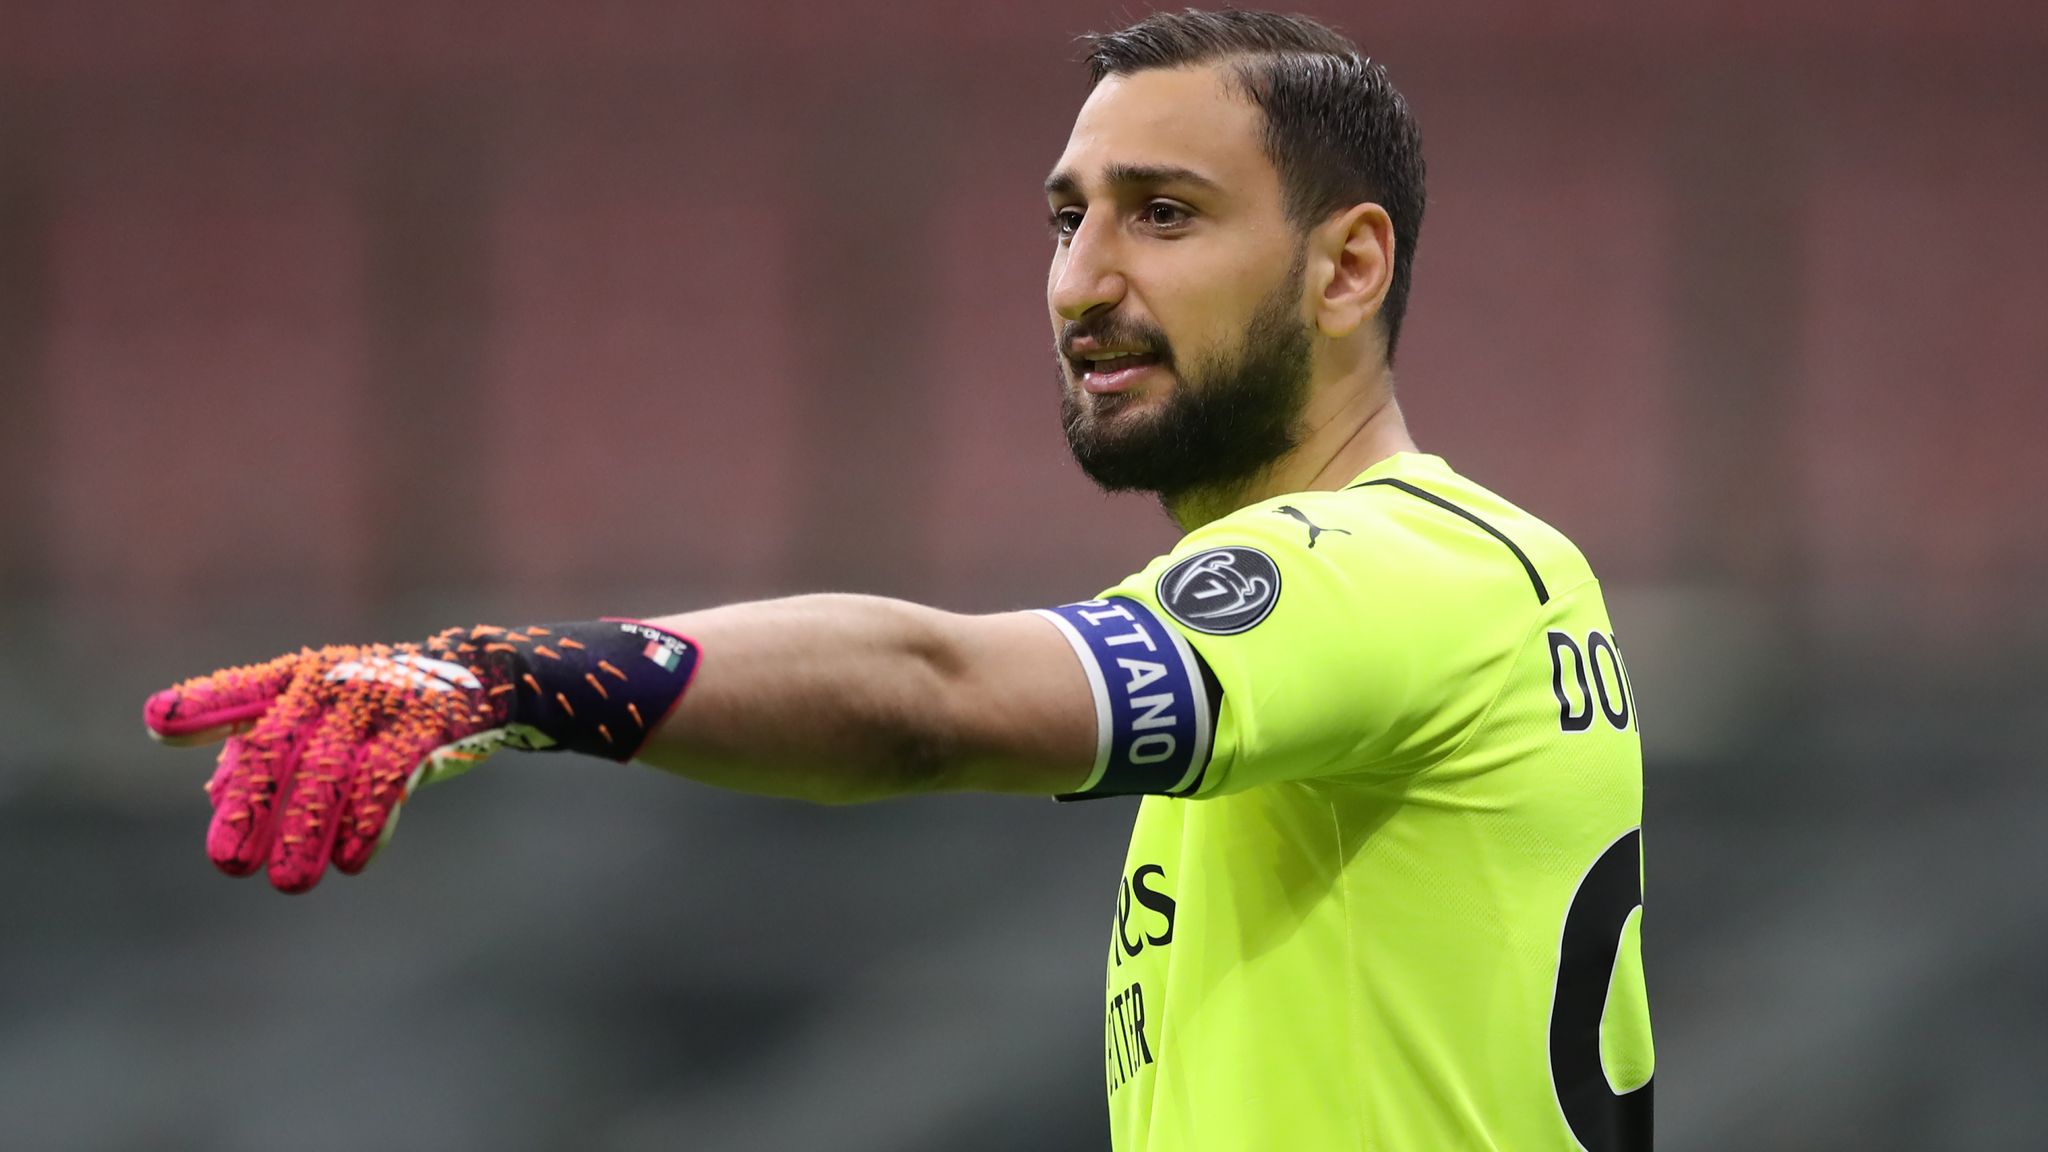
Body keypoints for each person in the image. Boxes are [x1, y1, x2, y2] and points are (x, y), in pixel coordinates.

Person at [145, 9, 1652, 1149]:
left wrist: (516, 676)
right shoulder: (1404, 611)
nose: (1083, 280)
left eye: (1164, 213)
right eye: (1068, 218)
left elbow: (934, 698)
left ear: (1347, 269)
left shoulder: (1403, 571)